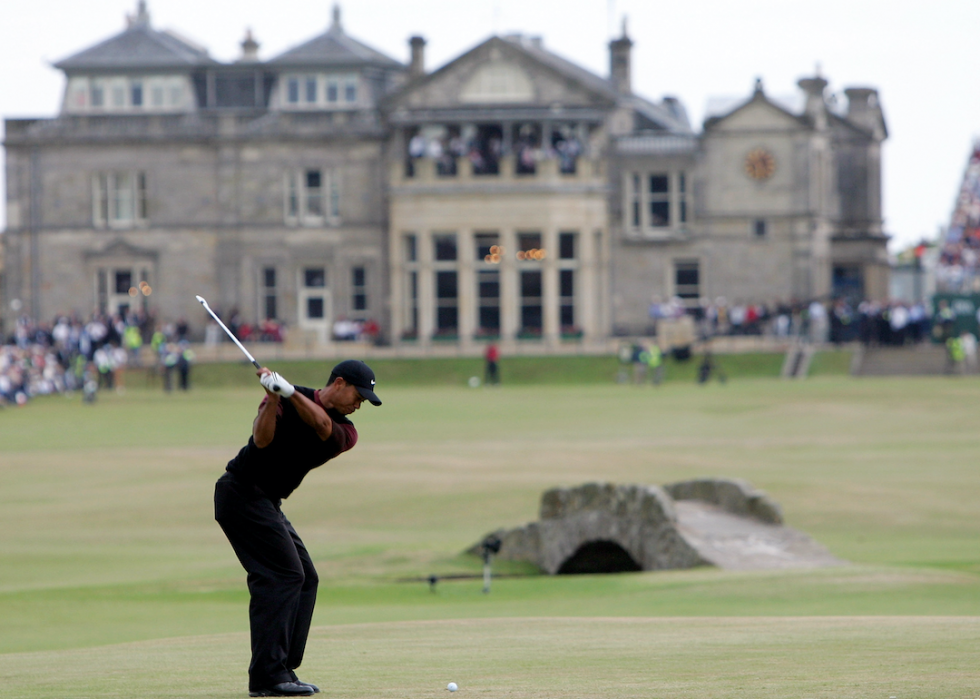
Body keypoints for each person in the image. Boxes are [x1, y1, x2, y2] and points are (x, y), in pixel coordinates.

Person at [214, 360, 382, 697]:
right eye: (358, 395)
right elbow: (261, 441)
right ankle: (267, 677)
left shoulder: (346, 432)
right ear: (339, 383)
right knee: (283, 576)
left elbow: (322, 424)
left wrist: (288, 392)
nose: (359, 404)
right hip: (240, 493)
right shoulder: (279, 397)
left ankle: (282, 667)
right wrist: (274, 398)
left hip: (267, 501)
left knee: (306, 576)